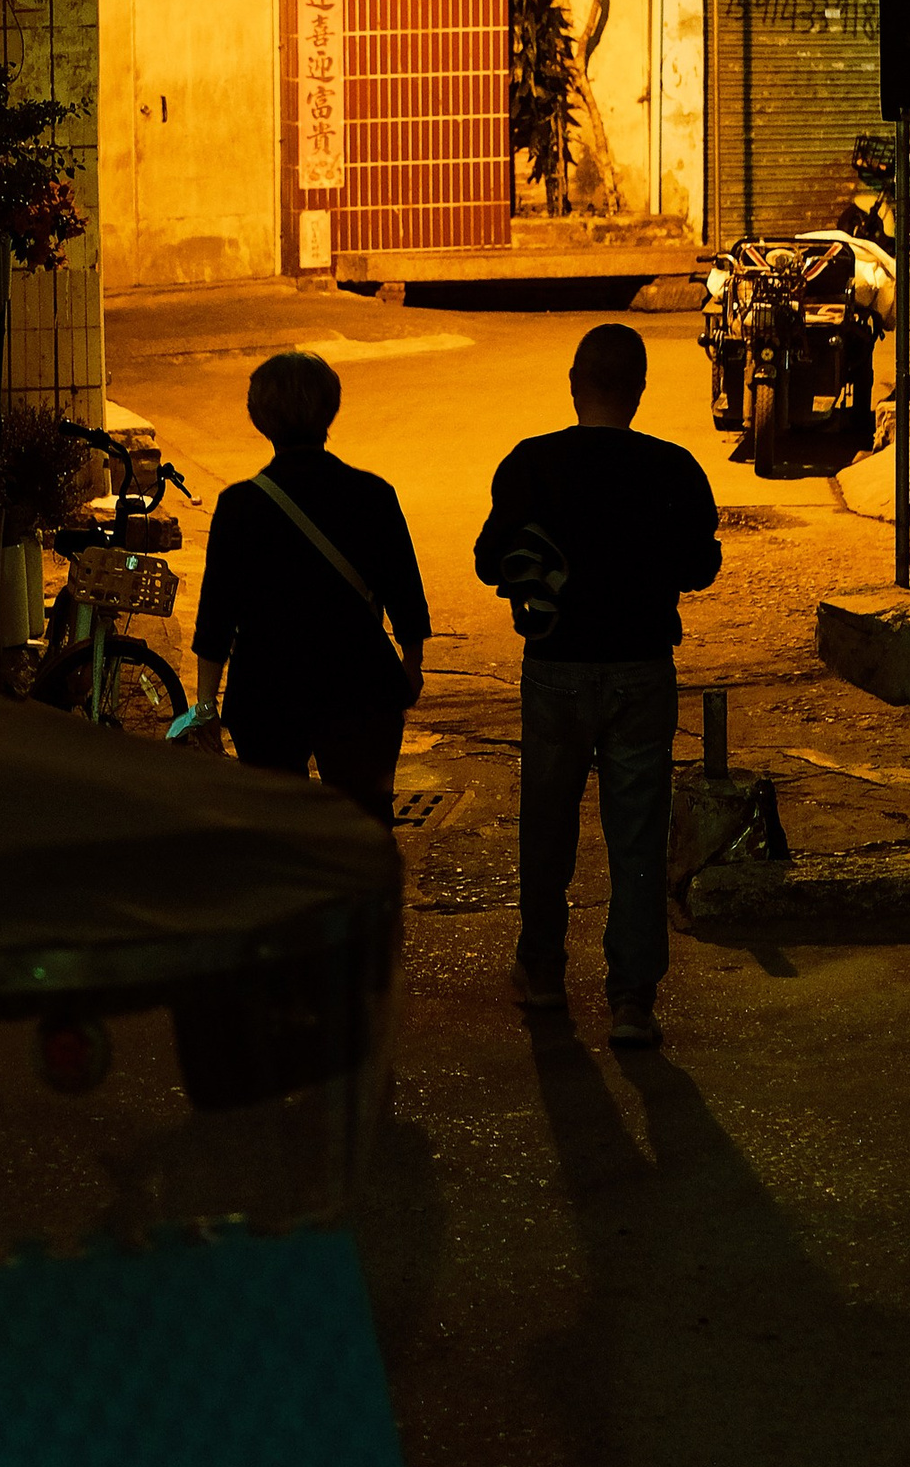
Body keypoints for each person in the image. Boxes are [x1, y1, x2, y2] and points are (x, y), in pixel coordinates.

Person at [475, 322, 722, 1049]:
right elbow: (700, 565)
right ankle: (632, 997)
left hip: (555, 668)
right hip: (641, 667)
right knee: (637, 833)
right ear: (638, 391)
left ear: (575, 382)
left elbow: (492, 560)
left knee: (546, 823)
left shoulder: (531, 464)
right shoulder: (673, 468)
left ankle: (545, 970)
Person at [190, 349, 430, 828]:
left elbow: (216, 614)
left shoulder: (240, 505)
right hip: (359, 685)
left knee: (281, 830)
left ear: (260, 418)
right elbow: (405, 589)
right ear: (330, 409)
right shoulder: (371, 495)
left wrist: (205, 703)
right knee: (364, 828)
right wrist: (410, 663)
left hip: (266, 692)